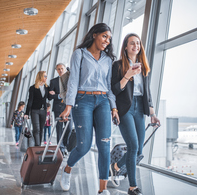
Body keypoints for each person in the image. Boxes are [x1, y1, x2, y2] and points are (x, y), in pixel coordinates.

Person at [59, 23, 119, 195]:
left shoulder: (108, 59)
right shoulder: (80, 54)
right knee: (84, 146)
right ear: (94, 35)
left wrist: (113, 108)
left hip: (103, 101)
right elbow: (73, 81)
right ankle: (68, 168)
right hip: (82, 100)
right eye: (104, 36)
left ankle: (102, 190)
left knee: (104, 146)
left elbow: (108, 86)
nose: (107, 41)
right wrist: (68, 106)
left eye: (109, 38)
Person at [110, 33, 160, 195]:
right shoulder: (118, 66)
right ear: (125, 46)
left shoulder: (143, 66)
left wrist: (152, 113)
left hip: (140, 108)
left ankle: (116, 166)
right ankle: (133, 186)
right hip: (125, 109)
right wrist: (127, 75)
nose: (136, 46)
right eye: (132, 43)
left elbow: (147, 92)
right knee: (132, 145)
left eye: (138, 43)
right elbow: (115, 90)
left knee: (138, 150)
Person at [48, 63, 73, 156]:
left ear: (65, 69)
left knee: (69, 128)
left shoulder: (70, 80)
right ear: (56, 70)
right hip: (58, 107)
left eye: (62, 68)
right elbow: (50, 96)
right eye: (58, 69)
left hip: (69, 107)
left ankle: (65, 145)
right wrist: (57, 95)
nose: (60, 70)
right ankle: (61, 148)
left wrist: (58, 94)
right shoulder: (53, 81)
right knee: (59, 128)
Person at [24, 71, 50, 146]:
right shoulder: (32, 88)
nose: (46, 78)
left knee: (41, 129)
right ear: (40, 77)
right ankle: (37, 146)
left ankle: (39, 145)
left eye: (46, 76)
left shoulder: (47, 87)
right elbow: (30, 100)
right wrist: (26, 113)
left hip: (43, 111)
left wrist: (57, 95)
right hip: (34, 110)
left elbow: (49, 97)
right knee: (36, 129)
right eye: (44, 76)